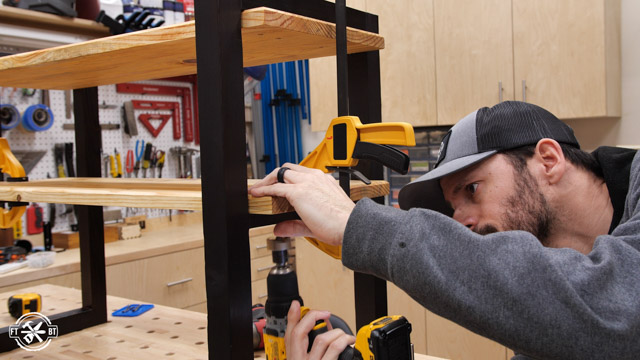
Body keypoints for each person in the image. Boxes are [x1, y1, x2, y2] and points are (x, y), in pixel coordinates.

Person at [248, 101, 640, 359]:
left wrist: (359, 225)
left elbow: (618, 312)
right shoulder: (551, 316)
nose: (462, 221)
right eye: (454, 208)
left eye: (472, 189)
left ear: (549, 160)